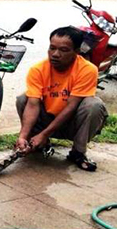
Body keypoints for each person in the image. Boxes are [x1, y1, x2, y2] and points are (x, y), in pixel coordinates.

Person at [15, 26, 108, 171]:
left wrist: (45, 134)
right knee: (23, 99)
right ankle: (37, 143)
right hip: (47, 120)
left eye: (63, 50)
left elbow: (71, 106)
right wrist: (23, 136)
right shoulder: (38, 69)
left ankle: (78, 153)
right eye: (52, 48)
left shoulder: (87, 69)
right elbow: (32, 105)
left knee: (94, 104)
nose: (55, 54)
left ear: (76, 52)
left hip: (72, 124)